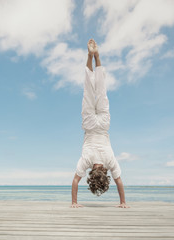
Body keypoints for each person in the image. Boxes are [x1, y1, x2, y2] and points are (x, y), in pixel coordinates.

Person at [70, 39, 129, 209]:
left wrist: (123, 202)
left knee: (101, 90)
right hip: (90, 124)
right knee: (89, 89)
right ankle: (91, 56)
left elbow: (118, 180)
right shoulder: (86, 160)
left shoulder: (110, 161)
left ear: (104, 173)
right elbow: (75, 180)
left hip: (102, 124)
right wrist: (74, 202)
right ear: (92, 173)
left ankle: (97, 55)